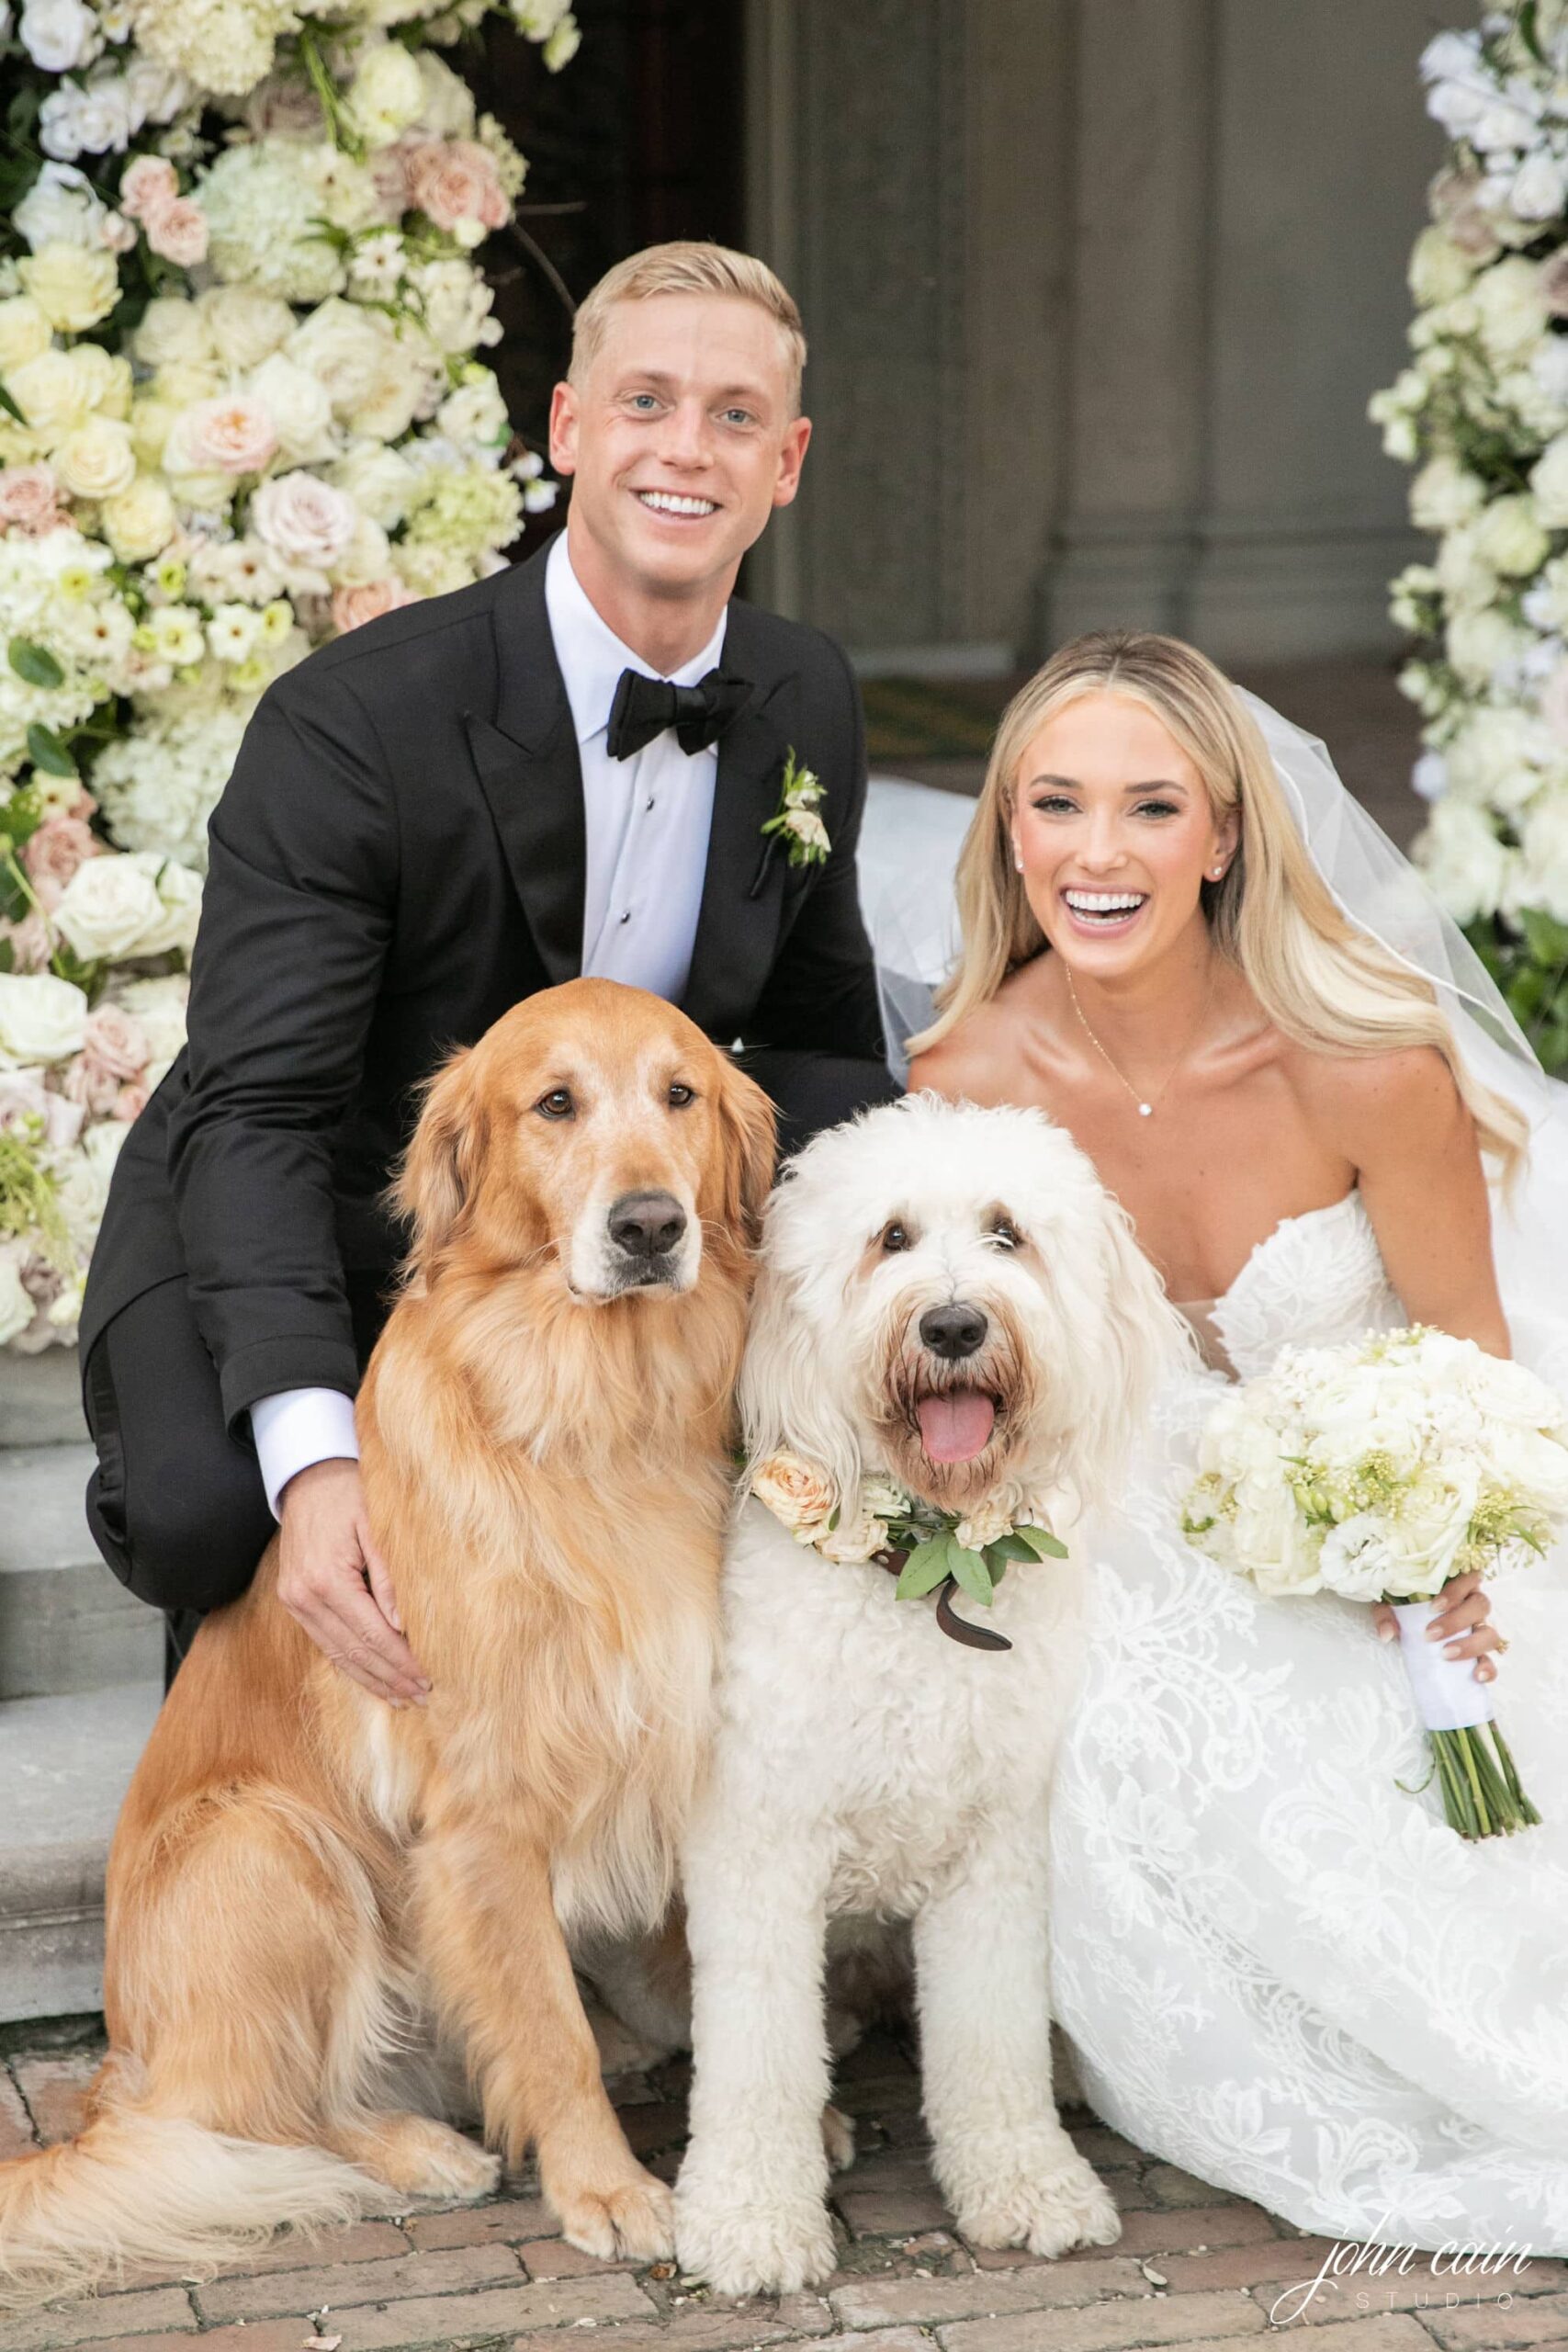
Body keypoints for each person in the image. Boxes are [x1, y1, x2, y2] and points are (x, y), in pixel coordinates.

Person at [80, 240, 896, 1698]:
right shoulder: (355, 725)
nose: (686, 450)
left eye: (733, 416)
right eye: (646, 402)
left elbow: (821, 1032)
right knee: (218, 1513)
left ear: (788, 460)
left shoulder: (804, 693)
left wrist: (932, 1197)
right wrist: (318, 1461)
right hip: (310, 1195)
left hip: (610, 1212)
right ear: (570, 427)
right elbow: (258, 1114)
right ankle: (274, 1723)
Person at [900, 630, 1568, 2248]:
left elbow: (1467, 1366)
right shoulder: (964, 1076)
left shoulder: (1363, 1060)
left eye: (1150, 808)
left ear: (1225, 836)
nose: (1099, 853)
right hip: (1116, 1552)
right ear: (1011, 833)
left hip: (1385, 1547)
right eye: (1056, 806)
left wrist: (1439, 1556)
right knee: (1128, 1724)